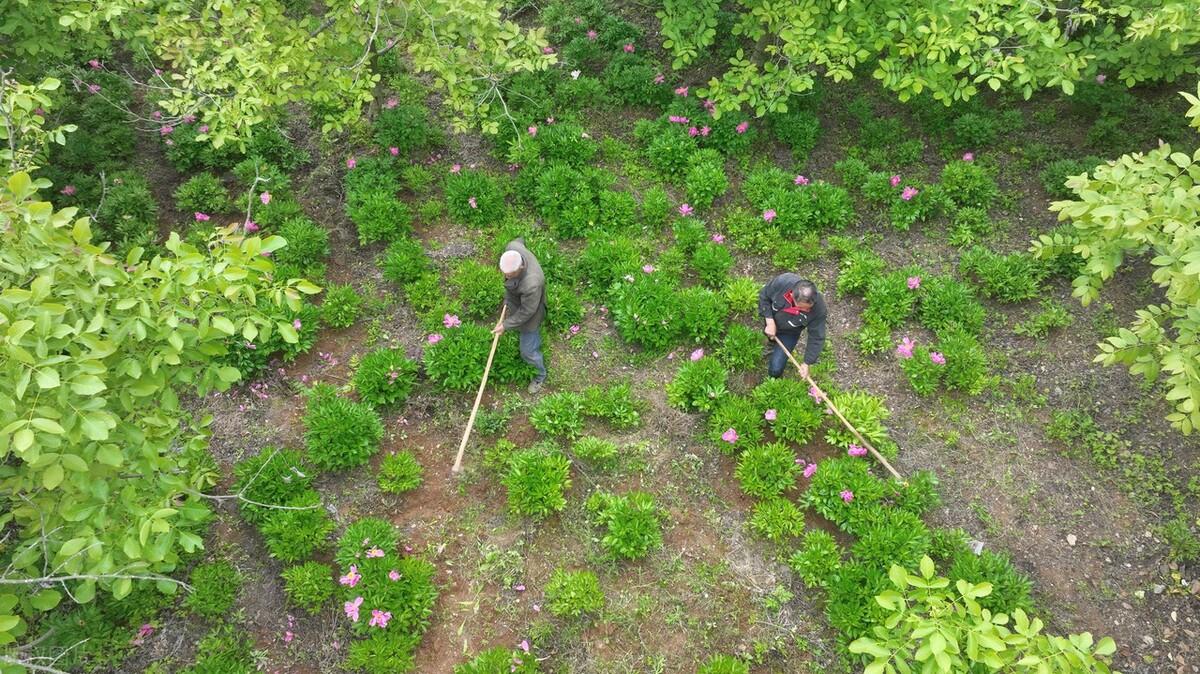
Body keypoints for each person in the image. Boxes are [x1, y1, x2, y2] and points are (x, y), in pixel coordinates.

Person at [494, 239, 548, 393]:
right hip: (522, 297)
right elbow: (519, 240)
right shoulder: (513, 247)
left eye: (510, 275)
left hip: (532, 312)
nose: (506, 276)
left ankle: (540, 375)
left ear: (522, 266)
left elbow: (527, 311)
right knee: (513, 306)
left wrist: (506, 324)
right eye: (505, 274)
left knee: (528, 351)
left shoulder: (532, 283)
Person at [757, 274, 827, 379]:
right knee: (769, 335)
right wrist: (770, 322)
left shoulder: (819, 309)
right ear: (793, 296)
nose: (807, 311)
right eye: (803, 308)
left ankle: (772, 381)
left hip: (790, 332)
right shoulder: (783, 282)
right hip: (772, 319)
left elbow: (816, 336)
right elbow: (764, 296)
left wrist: (807, 362)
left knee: (776, 369)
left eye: (808, 308)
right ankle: (771, 344)